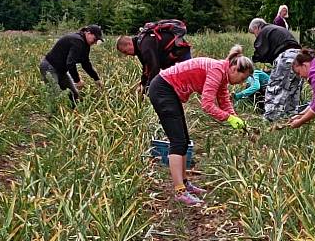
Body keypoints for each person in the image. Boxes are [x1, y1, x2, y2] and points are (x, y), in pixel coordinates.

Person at [148, 45, 253, 206]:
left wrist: (235, 118)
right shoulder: (217, 70)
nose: (242, 83)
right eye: (243, 78)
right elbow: (207, 105)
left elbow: (224, 100)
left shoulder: (223, 73)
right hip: (163, 89)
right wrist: (228, 118)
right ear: (234, 69)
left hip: (169, 91)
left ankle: (184, 183)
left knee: (184, 140)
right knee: (178, 142)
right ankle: (179, 191)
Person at [248, 18, 303, 122]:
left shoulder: (264, 30)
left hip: (286, 57)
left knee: (274, 87)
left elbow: (261, 51)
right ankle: (290, 117)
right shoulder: (276, 29)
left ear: (257, 27)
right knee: (293, 88)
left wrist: (251, 60)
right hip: (299, 56)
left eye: (253, 33)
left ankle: (269, 118)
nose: (255, 36)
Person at [116, 20, 192, 91]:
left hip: (181, 53)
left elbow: (154, 69)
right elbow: (146, 68)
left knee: (188, 82)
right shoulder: (139, 46)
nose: (127, 54)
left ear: (129, 44)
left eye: (125, 51)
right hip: (171, 56)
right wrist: (143, 84)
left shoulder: (145, 45)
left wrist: (147, 90)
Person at [40, 25, 104, 107]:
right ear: (88, 33)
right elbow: (70, 63)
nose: (95, 42)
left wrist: (96, 79)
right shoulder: (77, 41)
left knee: (74, 96)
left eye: (97, 41)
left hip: (61, 70)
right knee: (55, 95)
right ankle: (52, 115)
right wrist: (77, 81)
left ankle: (74, 114)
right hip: (49, 67)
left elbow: (86, 63)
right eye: (95, 39)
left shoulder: (85, 44)